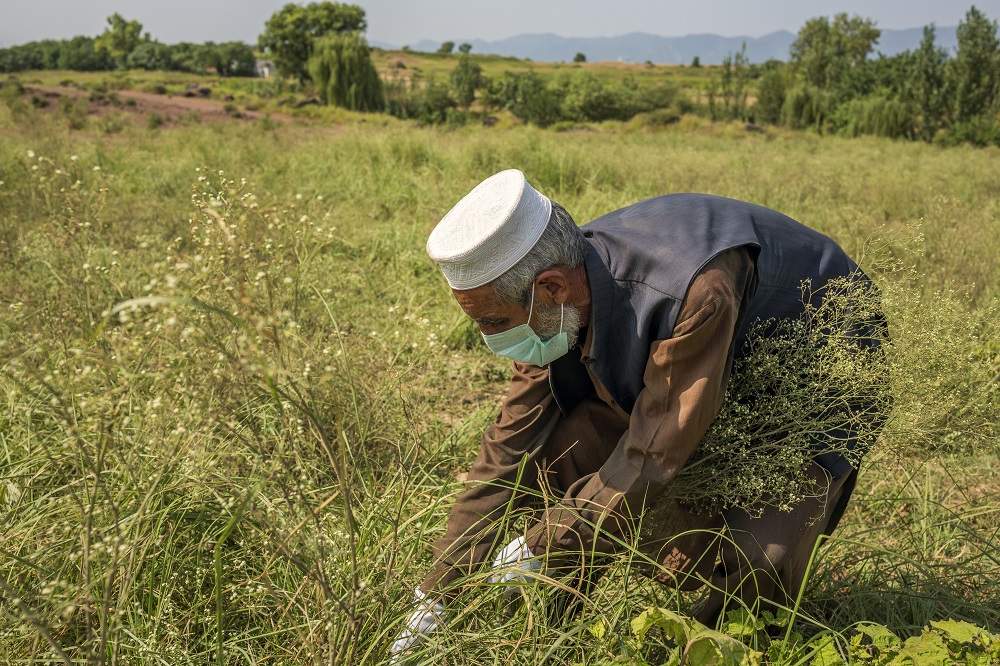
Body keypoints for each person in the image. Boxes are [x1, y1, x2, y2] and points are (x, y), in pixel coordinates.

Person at [391, 169, 882, 658]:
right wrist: (437, 591)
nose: (489, 337)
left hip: (811, 377)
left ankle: (722, 648)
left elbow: (652, 454)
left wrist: (543, 544)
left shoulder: (690, 292)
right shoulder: (549, 301)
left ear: (554, 288)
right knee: (560, 458)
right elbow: (505, 455)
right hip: (704, 357)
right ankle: (551, 630)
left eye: (493, 321)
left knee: (760, 556)